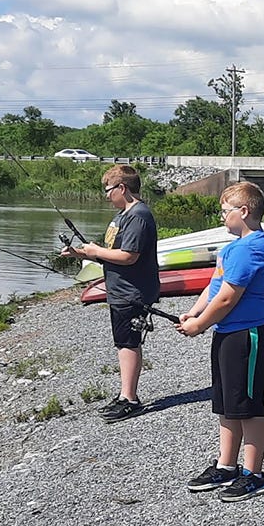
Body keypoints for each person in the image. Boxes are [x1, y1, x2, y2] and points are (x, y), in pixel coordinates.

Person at [177, 181, 264, 502]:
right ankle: (226, 466)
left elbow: (228, 299)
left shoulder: (253, 248)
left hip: (246, 335)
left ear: (244, 212)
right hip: (226, 334)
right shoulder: (233, 247)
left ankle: (254, 474)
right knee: (227, 405)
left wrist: (201, 326)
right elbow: (214, 287)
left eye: (225, 211)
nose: (222, 217)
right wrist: (193, 313)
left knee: (248, 406)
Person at [61, 164, 159, 422]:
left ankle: (131, 399)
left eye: (108, 190)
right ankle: (125, 394)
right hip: (120, 291)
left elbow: (128, 256)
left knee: (129, 342)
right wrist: (81, 253)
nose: (106, 195)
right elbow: (113, 254)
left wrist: (95, 252)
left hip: (132, 292)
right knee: (123, 341)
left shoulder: (138, 216)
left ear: (122, 188)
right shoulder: (122, 215)